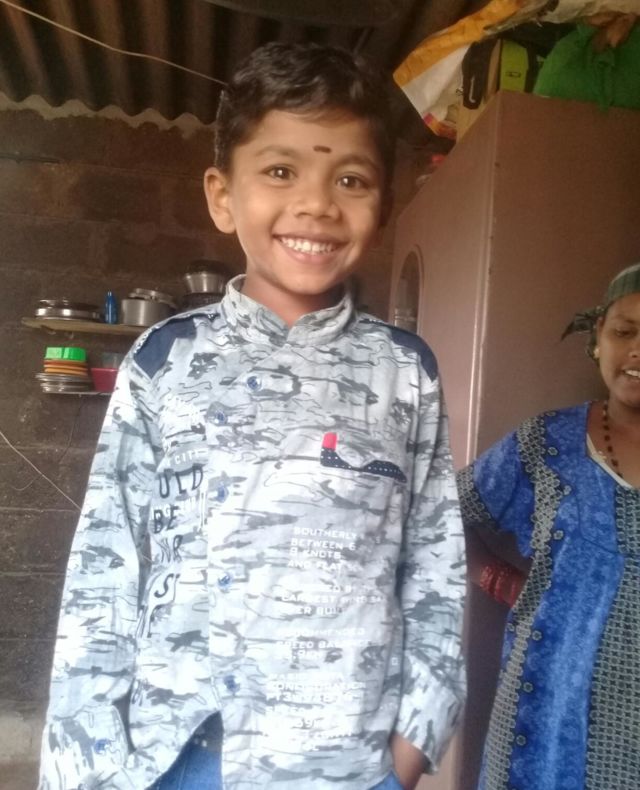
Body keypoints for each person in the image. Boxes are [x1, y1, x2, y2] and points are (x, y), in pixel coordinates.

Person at [39, 42, 466, 790]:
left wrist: (410, 747)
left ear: (383, 204)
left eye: (351, 179)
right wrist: (88, 763)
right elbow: (106, 567)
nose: (317, 204)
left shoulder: (405, 373)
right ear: (222, 195)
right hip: (180, 752)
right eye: (279, 171)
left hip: (345, 759)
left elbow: (437, 572)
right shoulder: (164, 360)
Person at [457, 262, 640, 790]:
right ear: (597, 339)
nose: (637, 350)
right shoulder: (546, 443)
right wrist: (499, 580)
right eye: (624, 331)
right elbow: (442, 517)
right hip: (540, 720)